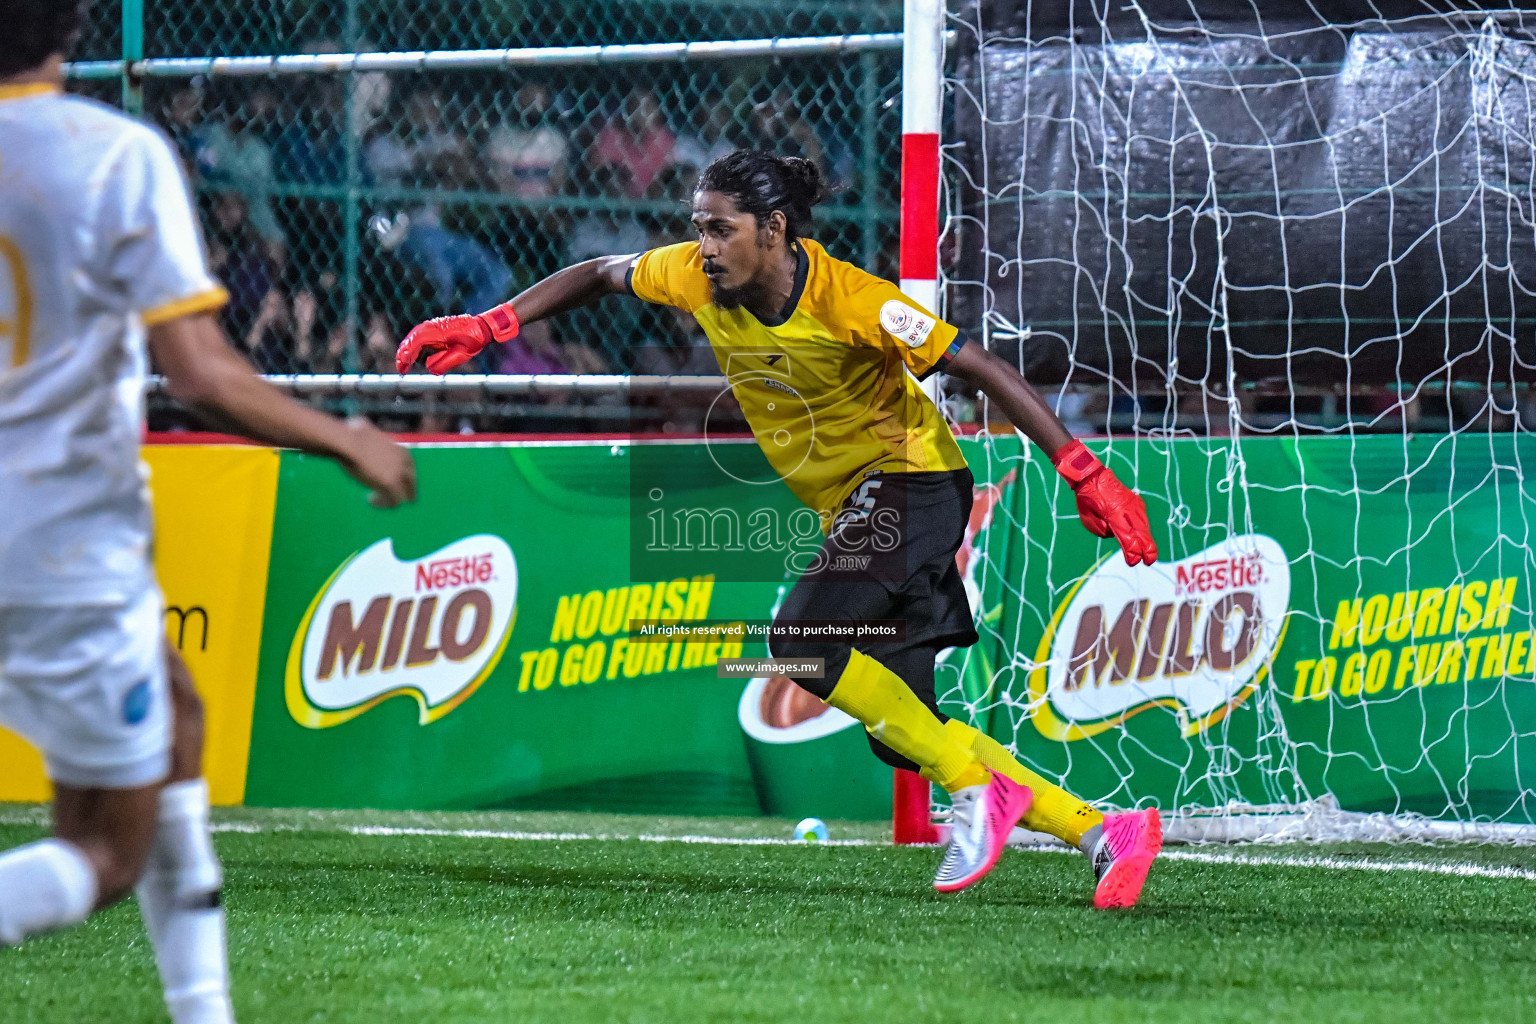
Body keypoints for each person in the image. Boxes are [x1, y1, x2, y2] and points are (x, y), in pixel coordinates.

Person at [397, 149, 1163, 905]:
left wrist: (1083, 472)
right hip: (859, 504)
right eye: (698, 227)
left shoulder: (852, 300)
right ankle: (1106, 834)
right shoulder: (696, 277)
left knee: (800, 639)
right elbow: (601, 272)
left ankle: (974, 788)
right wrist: (494, 322)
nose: (704, 246)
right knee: (902, 725)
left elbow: (977, 365)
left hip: (914, 483)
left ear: (774, 227)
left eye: (721, 229)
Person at [0, 8, 417, 1024]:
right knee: (104, 848)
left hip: (55, 552)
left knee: (180, 714)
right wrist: (347, 436)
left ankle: (204, 1012)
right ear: (75, 20)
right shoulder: (113, 155)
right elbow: (199, 373)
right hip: (56, 545)